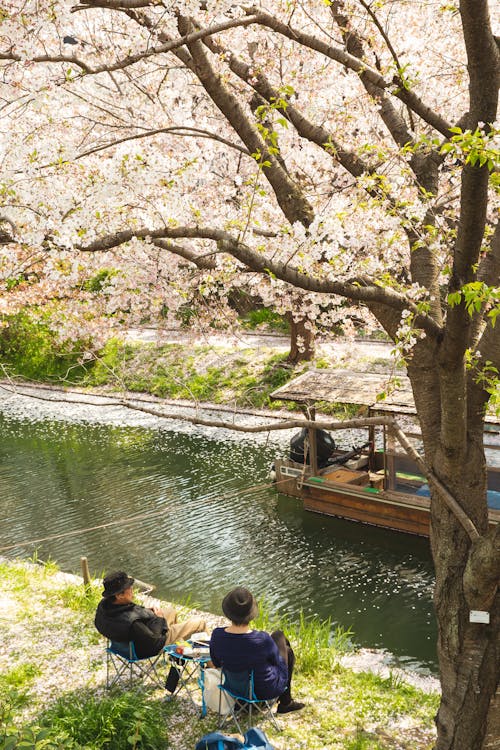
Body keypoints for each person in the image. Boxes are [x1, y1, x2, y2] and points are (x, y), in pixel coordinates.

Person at [209, 586, 304, 714]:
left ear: (229, 612)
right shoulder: (261, 639)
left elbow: (217, 662)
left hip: (234, 689)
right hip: (264, 691)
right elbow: (278, 662)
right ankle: (286, 702)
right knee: (282, 642)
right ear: (251, 614)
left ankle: (248, 703)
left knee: (279, 641)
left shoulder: (217, 635)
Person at [94, 570, 206, 658]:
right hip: (147, 648)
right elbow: (154, 640)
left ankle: (176, 654)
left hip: (124, 645)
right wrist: (160, 619)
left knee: (171, 611)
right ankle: (212, 664)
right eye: (129, 588)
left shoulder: (104, 607)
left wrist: (147, 612)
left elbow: (130, 617)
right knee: (199, 623)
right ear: (119, 595)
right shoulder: (132, 622)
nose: (132, 589)